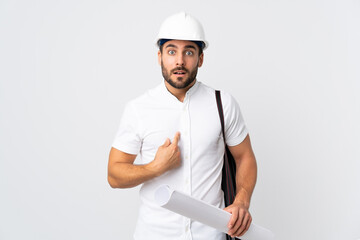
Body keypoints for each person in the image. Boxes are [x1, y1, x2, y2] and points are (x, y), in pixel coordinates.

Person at [107, 12, 257, 240]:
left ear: (200, 59)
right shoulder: (139, 109)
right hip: (154, 235)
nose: (179, 61)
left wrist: (242, 202)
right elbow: (114, 174)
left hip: (210, 235)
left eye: (188, 52)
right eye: (171, 51)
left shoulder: (222, 103)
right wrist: (155, 167)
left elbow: (245, 157)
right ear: (159, 57)